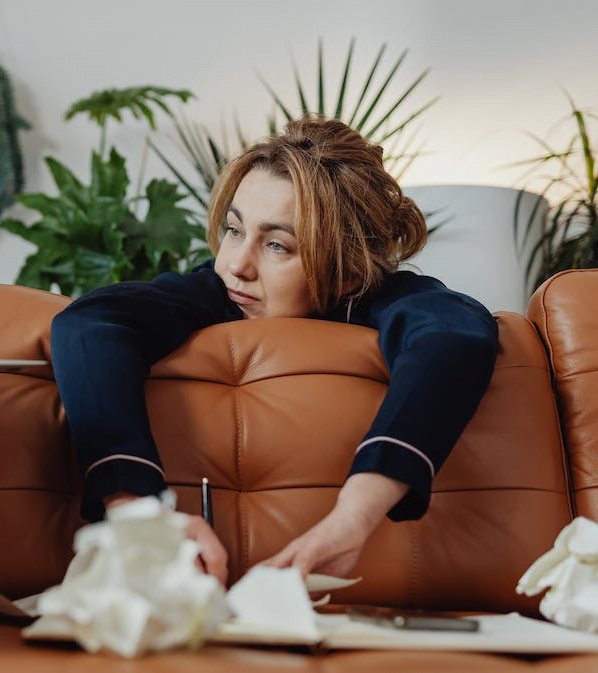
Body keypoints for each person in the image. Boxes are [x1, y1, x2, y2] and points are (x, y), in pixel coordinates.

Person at [49, 116, 499, 586]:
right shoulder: (216, 289)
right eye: (234, 230)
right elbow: (88, 324)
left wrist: (353, 518)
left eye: (277, 245)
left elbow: (454, 334)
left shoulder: (377, 297)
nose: (236, 265)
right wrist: (138, 517)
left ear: (345, 271)